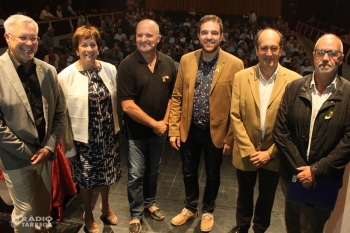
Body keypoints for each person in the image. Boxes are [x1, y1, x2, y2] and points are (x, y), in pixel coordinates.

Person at [169, 15, 244, 232]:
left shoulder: (235, 64)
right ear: (198, 35)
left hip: (217, 131)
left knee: (213, 174)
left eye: (213, 33)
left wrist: (230, 137)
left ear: (221, 35)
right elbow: (177, 96)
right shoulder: (186, 60)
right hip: (189, 129)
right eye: (204, 32)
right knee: (188, 172)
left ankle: (208, 210)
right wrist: (174, 128)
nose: (209, 37)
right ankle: (190, 207)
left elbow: (237, 106)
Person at [273, 33, 350, 233]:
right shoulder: (294, 88)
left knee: (314, 227)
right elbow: (281, 131)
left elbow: (348, 142)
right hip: (292, 174)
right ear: (314, 54)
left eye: (332, 53)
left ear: (341, 58)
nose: (326, 58)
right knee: (292, 222)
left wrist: (315, 171)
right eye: (321, 52)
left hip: (325, 178)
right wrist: (302, 170)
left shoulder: (349, 94)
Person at [230, 28, 300, 233]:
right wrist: (250, 150)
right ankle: (242, 228)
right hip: (246, 152)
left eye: (273, 48)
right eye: (264, 48)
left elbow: (293, 124)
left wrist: (270, 153)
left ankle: (260, 229)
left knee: (267, 197)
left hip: (276, 154)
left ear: (281, 50)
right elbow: (235, 115)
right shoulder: (241, 77)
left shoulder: (294, 80)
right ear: (256, 49)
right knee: (244, 194)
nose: (268, 53)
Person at [0, 14, 66, 232]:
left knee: (41, 209)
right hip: (15, 158)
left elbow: (59, 112)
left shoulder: (47, 70)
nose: (29, 44)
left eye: (34, 38)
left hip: (44, 156)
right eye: (23, 38)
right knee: (25, 212)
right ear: (7, 38)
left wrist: (48, 148)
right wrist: (28, 151)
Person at [58, 25, 121, 233]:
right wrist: (69, 148)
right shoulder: (65, 77)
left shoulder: (110, 69)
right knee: (87, 180)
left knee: (107, 175)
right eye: (83, 44)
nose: (89, 49)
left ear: (98, 47)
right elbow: (63, 117)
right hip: (82, 140)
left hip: (107, 136)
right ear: (76, 49)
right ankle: (89, 213)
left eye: (92, 44)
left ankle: (106, 206)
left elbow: (116, 104)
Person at [117, 19, 177, 233]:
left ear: (158, 38)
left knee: (153, 171)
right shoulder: (127, 65)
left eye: (149, 35)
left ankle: (150, 203)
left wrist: (165, 123)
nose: (144, 39)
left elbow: (172, 96)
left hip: (159, 131)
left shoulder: (168, 62)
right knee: (135, 174)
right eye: (140, 35)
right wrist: (156, 124)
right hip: (136, 133)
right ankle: (135, 214)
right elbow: (127, 105)